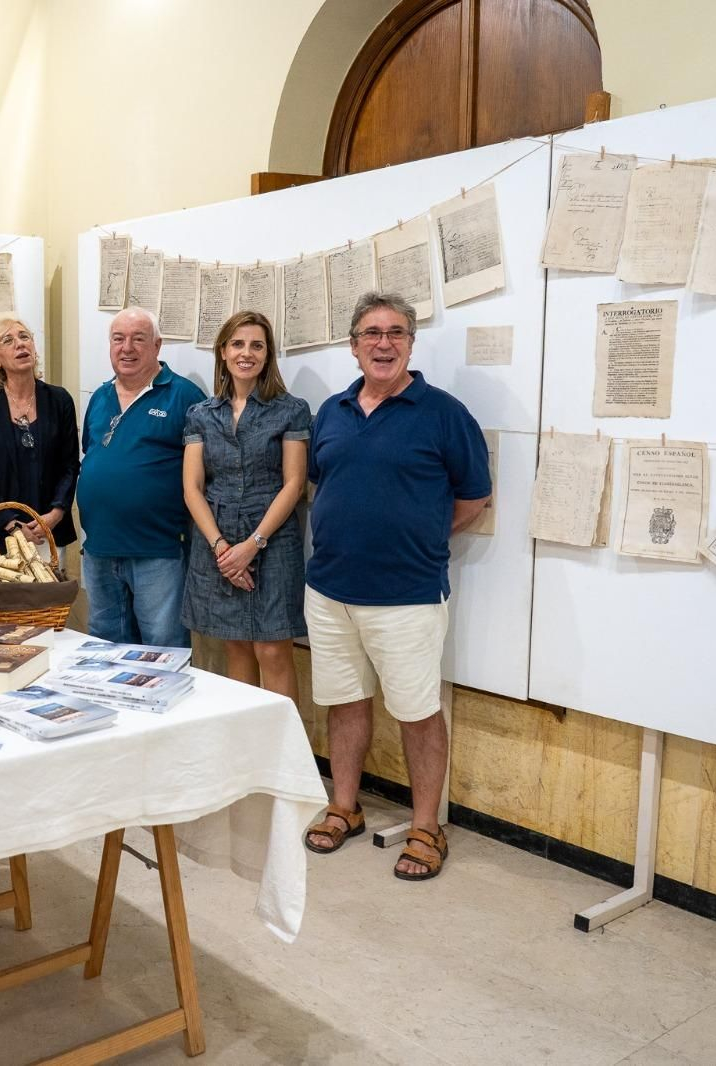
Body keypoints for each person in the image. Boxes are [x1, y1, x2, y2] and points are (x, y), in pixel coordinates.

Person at [301, 292, 490, 882]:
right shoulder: (330, 411)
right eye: (371, 333)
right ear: (353, 344)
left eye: (396, 333)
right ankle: (344, 806)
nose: (384, 343)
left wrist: (422, 539)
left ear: (411, 342)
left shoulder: (444, 413)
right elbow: (321, 483)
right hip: (330, 590)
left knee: (417, 712)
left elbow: (475, 499)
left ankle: (426, 827)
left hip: (407, 594)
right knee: (344, 703)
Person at [181, 311, 311, 702]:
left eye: (257, 345)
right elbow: (192, 487)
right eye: (238, 344)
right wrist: (223, 549)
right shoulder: (201, 414)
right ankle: (246, 752)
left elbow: (294, 483)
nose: (246, 353)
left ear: (268, 354)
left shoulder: (290, 409)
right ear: (223, 351)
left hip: (272, 538)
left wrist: (253, 544)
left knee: (272, 648)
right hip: (216, 538)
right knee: (235, 645)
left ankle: (281, 755)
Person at [77, 306, 207, 647]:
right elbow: (92, 453)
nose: (127, 348)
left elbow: (206, 474)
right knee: (104, 655)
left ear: (157, 346)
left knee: (163, 654)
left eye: (138, 339)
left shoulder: (185, 397)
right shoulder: (100, 396)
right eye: (118, 339)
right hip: (100, 551)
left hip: (157, 552)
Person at [0, 317, 79, 556]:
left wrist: (56, 513)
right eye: (8, 340)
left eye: (24, 337)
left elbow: (69, 466)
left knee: (48, 592)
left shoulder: (60, 401)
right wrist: (11, 522)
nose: (20, 344)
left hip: (47, 531)